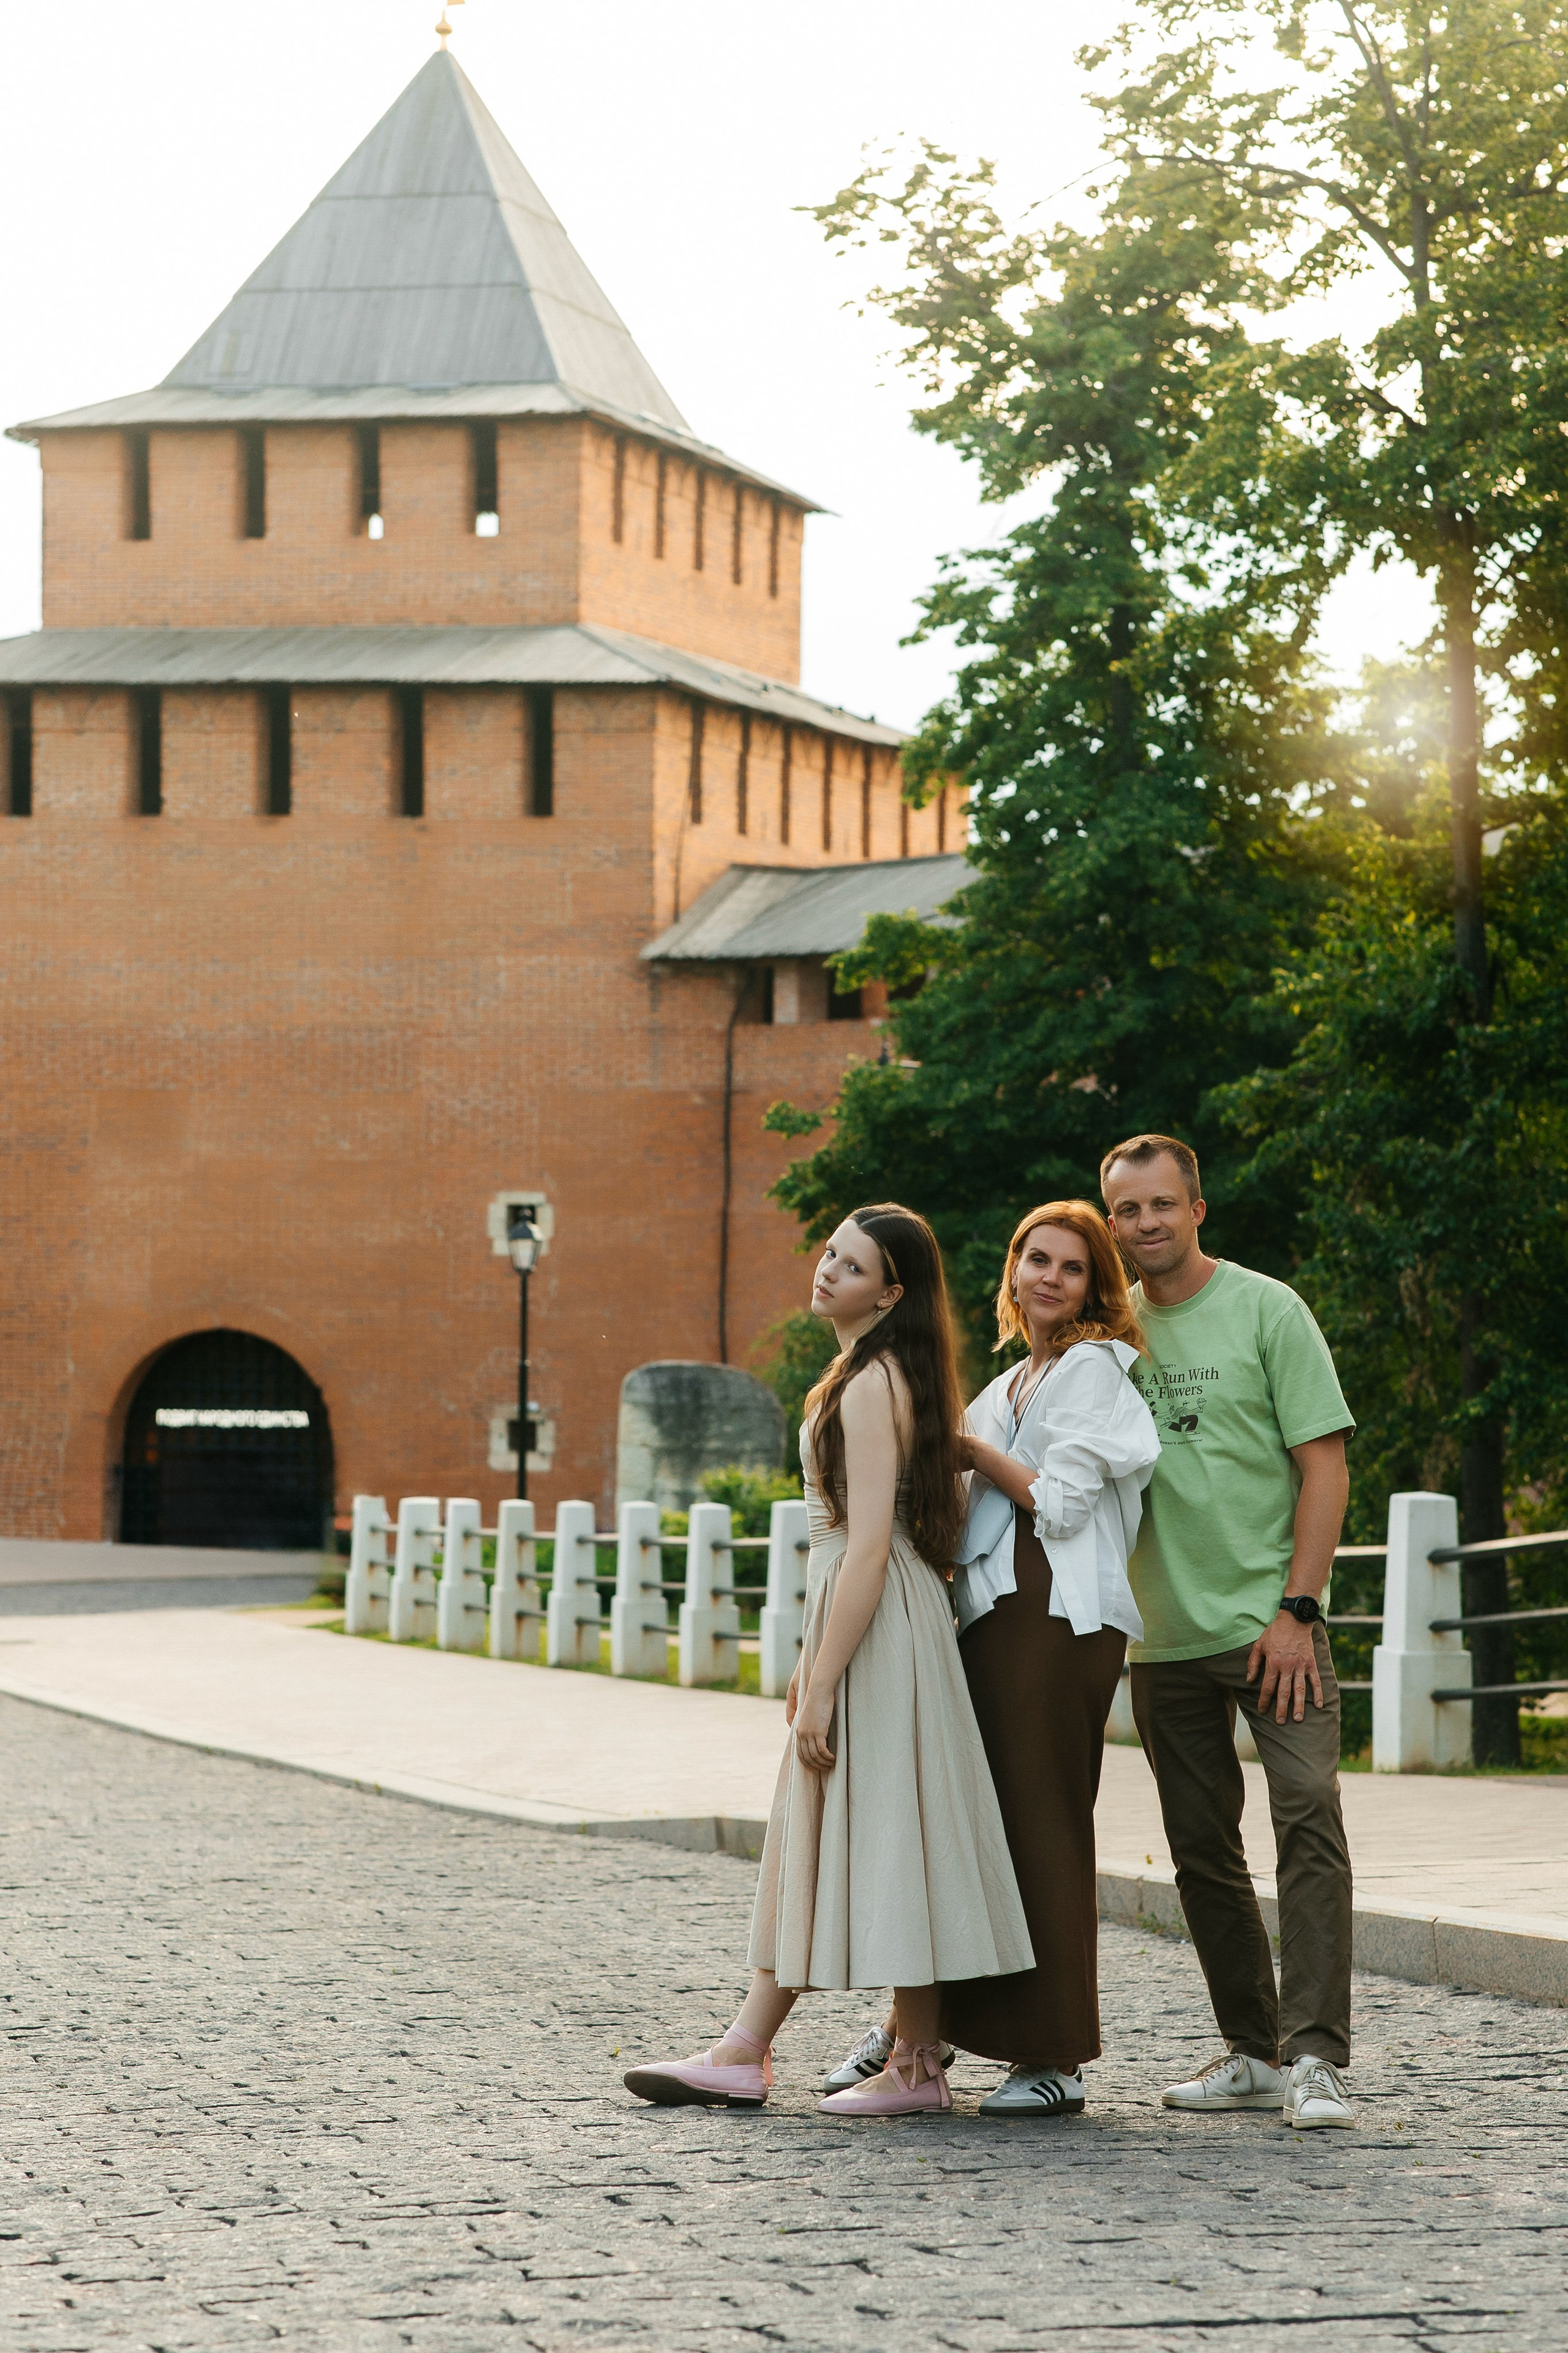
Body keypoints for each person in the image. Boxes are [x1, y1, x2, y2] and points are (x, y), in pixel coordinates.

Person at [623, 1203, 1031, 2117]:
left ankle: (791, 2053)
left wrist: (824, 1679)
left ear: (890, 1292)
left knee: (878, 1821)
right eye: (829, 1253)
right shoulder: (879, 1375)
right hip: (880, 1622)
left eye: (849, 1266)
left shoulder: (868, 1385)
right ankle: (836, 2054)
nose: (826, 1270)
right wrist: (816, 1663)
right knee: (891, 1824)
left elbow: (869, 1546)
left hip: (880, 1622)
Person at [823, 1202, 1159, 2120]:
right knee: (975, 1827)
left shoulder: (1092, 1369)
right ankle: (914, 2033)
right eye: (1035, 1259)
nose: (1050, 1277)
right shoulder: (1013, 1379)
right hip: (994, 1616)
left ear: (1098, 1287)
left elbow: (1063, 1500)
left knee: (1042, 1822)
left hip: (1058, 1616)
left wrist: (972, 1450)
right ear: (1011, 1272)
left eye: (1073, 1267)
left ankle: (1052, 2055)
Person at [1099, 1133, 1357, 2132]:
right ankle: (1253, 2052)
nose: (1147, 1222)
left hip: (1272, 1626)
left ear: (1197, 1208)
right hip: (1161, 1638)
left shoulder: (1267, 1307)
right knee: (1202, 1850)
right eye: (1127, 1209)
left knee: (1309, 1819)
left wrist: (1299, 1610)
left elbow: (1323, 1466)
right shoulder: (1105, 1335)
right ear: (1110, 1219)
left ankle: (1317, 2060)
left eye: (1163, 1203)